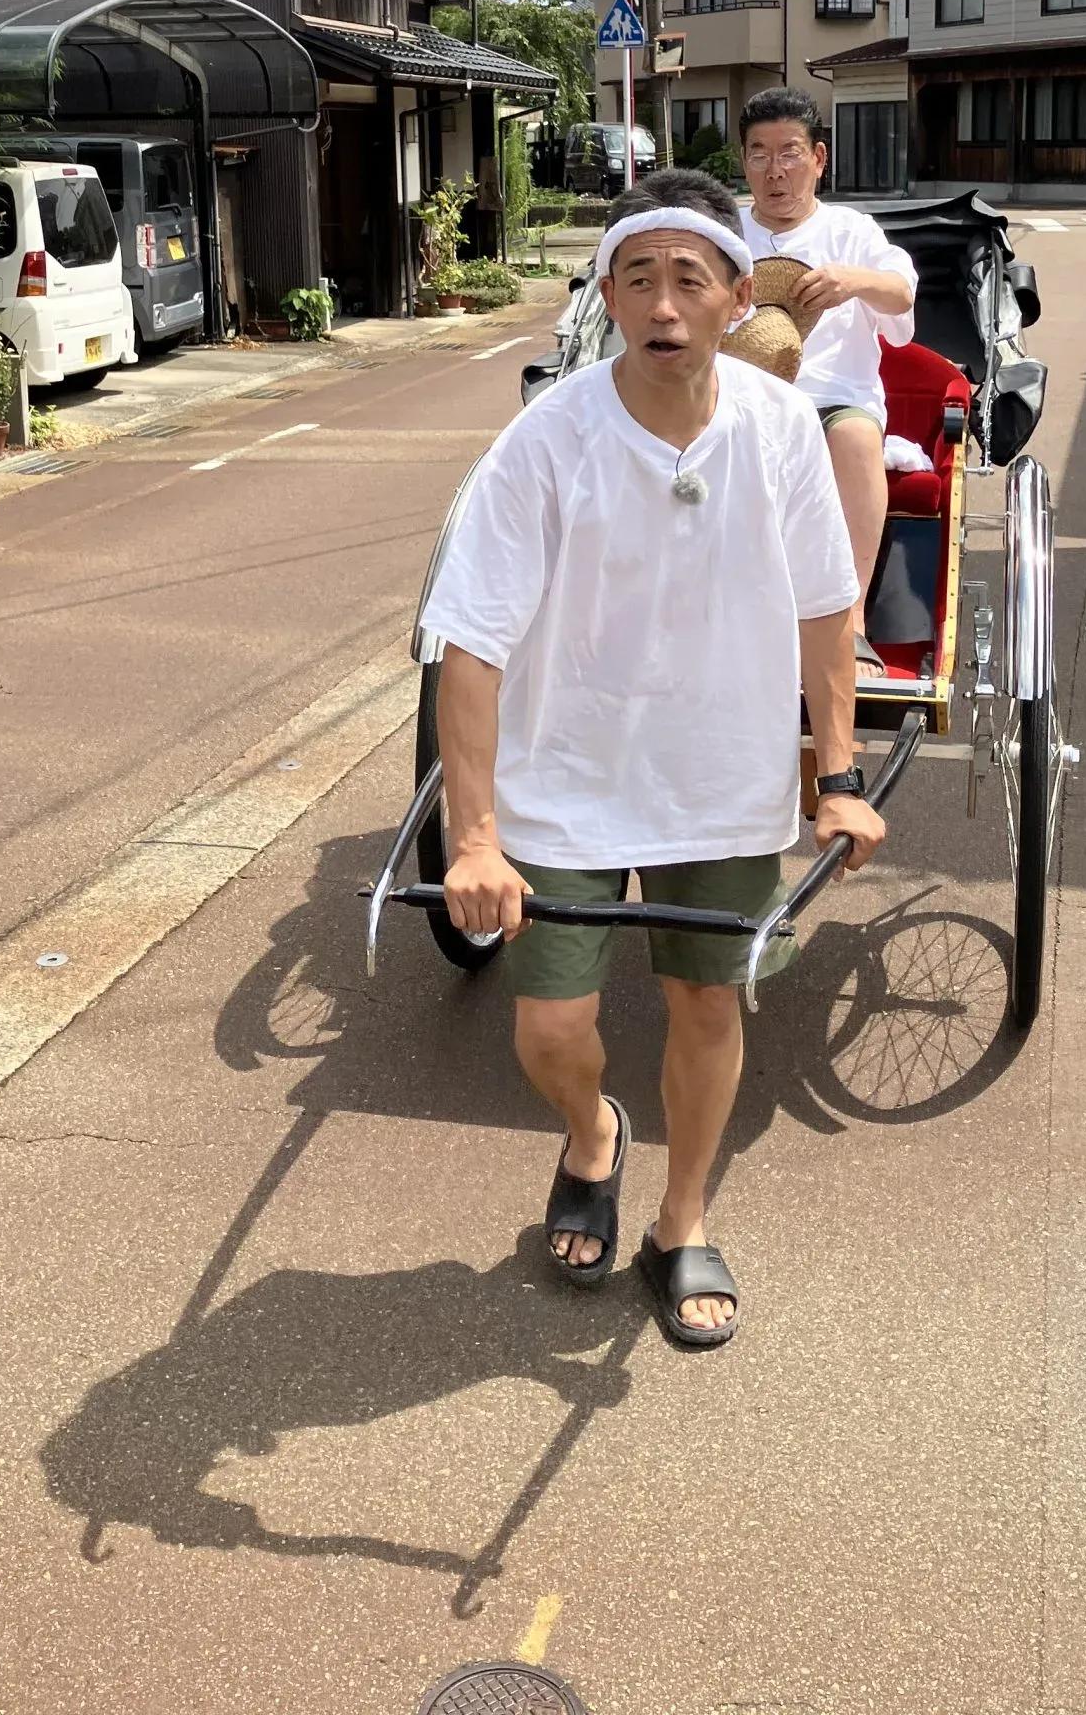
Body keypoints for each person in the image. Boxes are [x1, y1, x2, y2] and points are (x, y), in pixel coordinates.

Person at [421, 166, 889, 1349]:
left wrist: (834, 778)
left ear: (738, 300)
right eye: (640, 280)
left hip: (720, 783)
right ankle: (593, 1134)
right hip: (565, 780)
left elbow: (828, 611)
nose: (665, 305)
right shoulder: (546, 438)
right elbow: (468, 644)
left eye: (691, 279)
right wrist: (473, 835)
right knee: (549, 1031)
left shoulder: (783, 429)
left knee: (705, 1001)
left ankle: (681, 1220)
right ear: (609, 299)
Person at [736, 87, 920, 671]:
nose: (775, 170)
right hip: (739, 399)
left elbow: (903, 294)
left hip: (835, 401)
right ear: (744, 162)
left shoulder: (852, 231)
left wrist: (852, 281)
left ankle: (854, 620)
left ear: (819, 158)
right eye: (759, 154)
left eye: (789, 153)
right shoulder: (720, 230)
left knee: (858, 439)